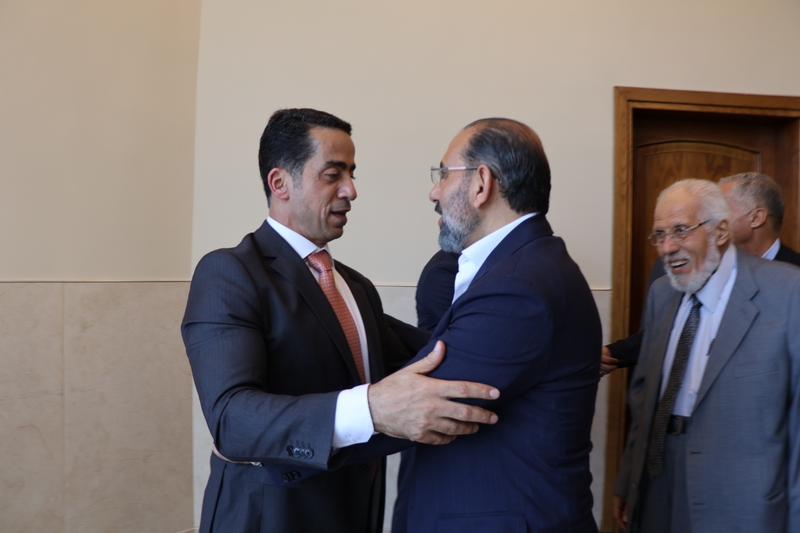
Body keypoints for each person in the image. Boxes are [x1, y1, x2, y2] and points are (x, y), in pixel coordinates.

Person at [181, 108, 499, 533]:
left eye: (351, 173)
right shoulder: (230, 273)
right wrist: (369, 409)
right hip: (270, 518)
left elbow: (430, 356)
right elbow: (231, 420)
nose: (351, 190)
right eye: (333, 175)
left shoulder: (355, 286)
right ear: (280, 183)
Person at [344, 118, 601, 532]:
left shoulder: (521, 286)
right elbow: (448, 348)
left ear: (482, 183)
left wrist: (277, 435)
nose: (434, 191)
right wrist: (348, 316)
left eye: (443, 174)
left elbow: (418, 405)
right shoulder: (521, 266)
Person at [613, 179, 800, 533]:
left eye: (681, 231)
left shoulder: (788, 292)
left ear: (721, 231)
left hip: (741, 500)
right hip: (657, 481)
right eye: (659, 235)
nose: (668, 247)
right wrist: (627, 481)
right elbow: (644, 400)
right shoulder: (661, 294)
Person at [601, 172, 800, 376]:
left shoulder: (793, 282)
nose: (668, 247)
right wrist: (613, 353)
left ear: (756, 218)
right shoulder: (690, 270)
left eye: (721, 208)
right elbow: (665, 335)